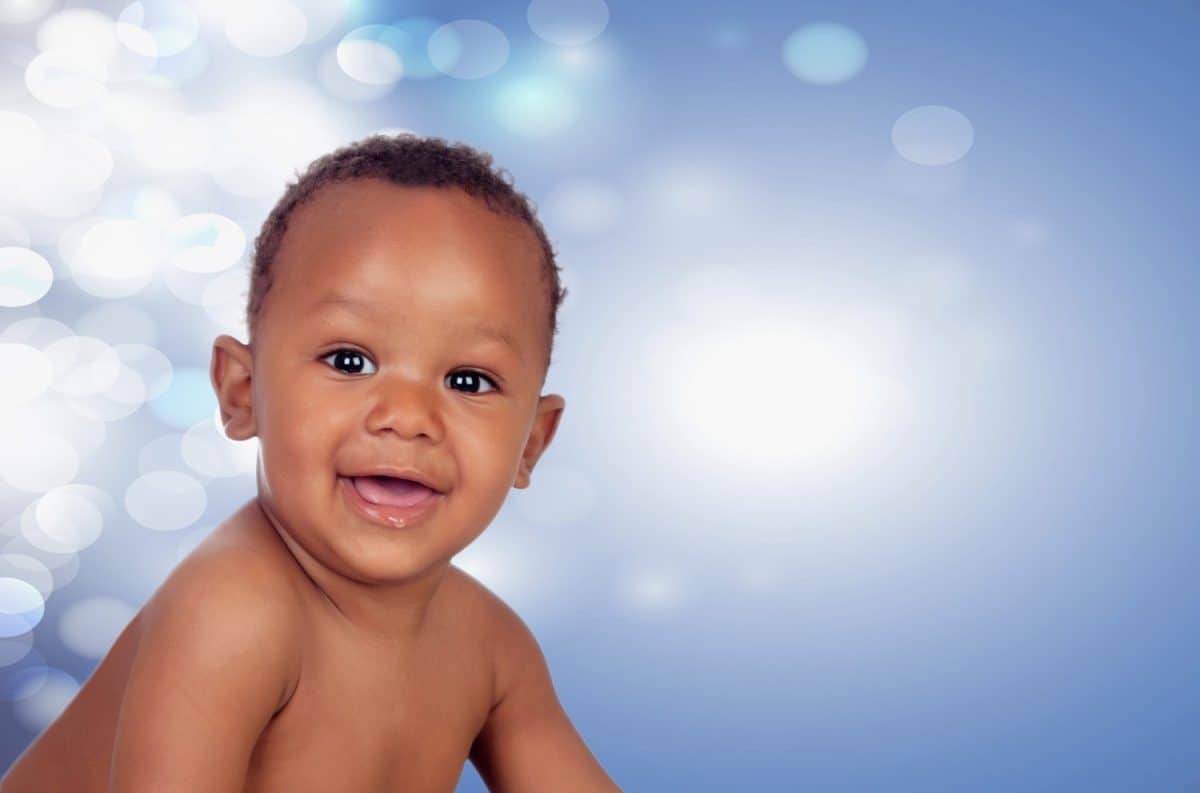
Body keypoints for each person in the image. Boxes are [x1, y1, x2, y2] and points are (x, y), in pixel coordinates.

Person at [0, 134, 623, 792]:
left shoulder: (491, 647)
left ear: (531, 441)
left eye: (468, 380)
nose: (408, 416)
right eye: (349, 361)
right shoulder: (231, 615)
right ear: (243, 394)